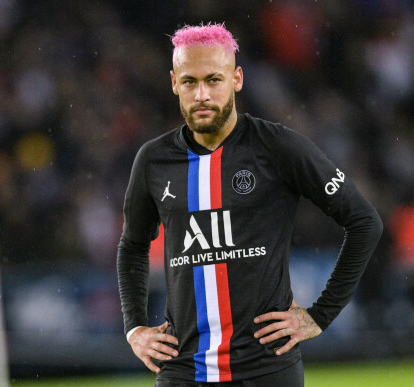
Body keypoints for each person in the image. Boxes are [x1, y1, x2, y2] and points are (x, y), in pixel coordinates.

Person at [117, 23, 383, 386]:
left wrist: (320, 314)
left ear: (237, 78)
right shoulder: (153, 160)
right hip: (183, 370)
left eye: (214, 79)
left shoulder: (279, 147)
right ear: (174, 83)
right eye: (190, 81)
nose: (202, 95)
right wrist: (134, 327)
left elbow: (365, 221)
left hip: (267, 368)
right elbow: (132, 245)